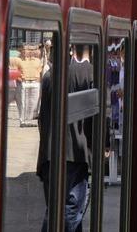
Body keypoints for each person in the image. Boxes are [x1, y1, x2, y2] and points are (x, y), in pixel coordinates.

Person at [38, 45, 94, 231]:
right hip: (74, 154)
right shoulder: (83, 73)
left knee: (56, 207)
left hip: (49, 154)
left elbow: (42, 118)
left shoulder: (48, 77)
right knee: (71, 209)